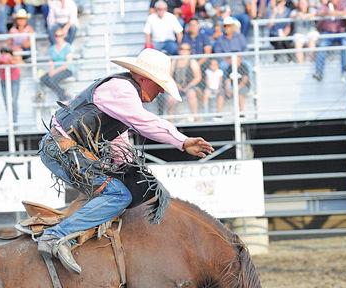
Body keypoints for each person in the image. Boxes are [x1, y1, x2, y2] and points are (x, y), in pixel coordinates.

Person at [35, 48, 213, 273]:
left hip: (66, 151)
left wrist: (131, 169)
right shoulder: (122, 90)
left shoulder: (120, 96)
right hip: (63, 151)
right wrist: (182, 141)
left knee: (123, 189)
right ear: (143, 79)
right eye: (158, 86)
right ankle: (57, 236)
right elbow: (144, 122)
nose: (159, 92)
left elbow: (118, 142)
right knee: (119, 195)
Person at [312, 0, 346, 82]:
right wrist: (327, 13)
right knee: (321, 46)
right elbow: (318, 13)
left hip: (341, 31)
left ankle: (345, 71)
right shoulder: (325, 5)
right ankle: (319, 72)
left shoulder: (343, 3)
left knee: (345, 45)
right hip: (328, 32)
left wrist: (336, 13)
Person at [40, 27, 73, 101]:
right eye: (56, 35)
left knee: (52, 80)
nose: (58, 37)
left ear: (63, 36)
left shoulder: (67, 47)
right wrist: (51, 70)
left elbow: (67, 63)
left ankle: (63, 97)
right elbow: (51, 61)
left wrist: (55, 71)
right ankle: (63, 92)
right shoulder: (52, 48)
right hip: (55, 69)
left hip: (66, 70)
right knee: (43, 79)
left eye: (60, 35)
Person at [291, 0, 319, 64]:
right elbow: (291, 16)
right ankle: (301, 64)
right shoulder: (295, 11)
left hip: (310, 32)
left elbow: (317, 13)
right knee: (298, 45)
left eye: (304, 3)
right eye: (301, 3)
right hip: (300, 33)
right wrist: (298, 14)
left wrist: (308, 15)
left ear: (307, 4)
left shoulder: (312, 10)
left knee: (312, 42)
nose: (303, 5)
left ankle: (309, 63)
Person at [0, 46, 19, 124]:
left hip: (14, 81)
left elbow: (17, 63)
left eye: (6, 53)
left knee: (14, 101)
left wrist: (9, 59)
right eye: (2, 53)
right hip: (4, 81)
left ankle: (15, 120)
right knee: (6, 101)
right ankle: (11, 119)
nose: (4, 55)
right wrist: (1, 59)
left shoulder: (14, 59)